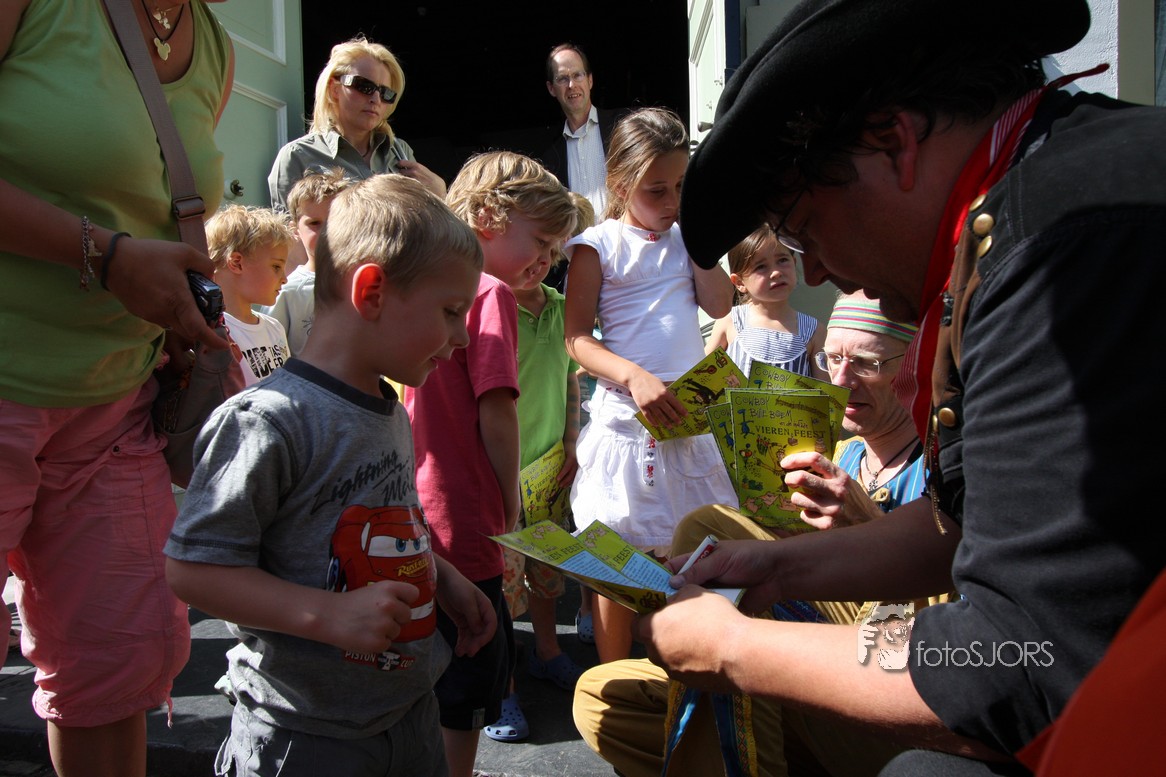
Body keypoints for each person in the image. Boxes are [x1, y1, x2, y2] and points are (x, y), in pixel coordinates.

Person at [638, 0, 1166, 774]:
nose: (818, 271)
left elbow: (1017, 661)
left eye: (804, 229)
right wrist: (775, 569)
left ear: (894, 143)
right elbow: (959, 525)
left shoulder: (1062, 247)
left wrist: (735, 647)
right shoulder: (1040, 196)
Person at [164, 174, 497, 776]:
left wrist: (443, 577)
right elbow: (194, 570)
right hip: (305, 733)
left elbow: (391, 516)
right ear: (371, 291)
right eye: (451, 312)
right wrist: (327, 614)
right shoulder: (268, 421)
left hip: (407, 712)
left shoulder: (389, 409)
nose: (462, 336)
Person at [0, 2, 232, 775]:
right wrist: (103, 255)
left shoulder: (215, 46)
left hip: (116, 408)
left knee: (116, 671)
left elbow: (159, 205)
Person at [574, 291, 935, 777]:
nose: (841, 380)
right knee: (600, 693)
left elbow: (915, 640)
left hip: (882, 688)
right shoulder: (838, 453)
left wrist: (866, 523)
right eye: (831, 359)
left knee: (712, 535)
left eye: (866, 363)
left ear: (915, 367)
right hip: (803, 683)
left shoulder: (942, 476)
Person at [405, 150, 577, 776]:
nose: (547, 259)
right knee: (470, 677)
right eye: (540, 241)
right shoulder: (491, 293)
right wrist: (508, 506)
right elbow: (497, 410)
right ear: (488, 217)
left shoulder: (426, 283)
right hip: (471, 512)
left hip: (421, 506)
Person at [563, 106, 736, 665]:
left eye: (681, 187)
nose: (671, 202)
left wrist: (701, 239)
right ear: (620, 185)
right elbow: (576, 338)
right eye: (656, 190)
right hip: (627, 424)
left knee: (689, 554)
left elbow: (719, 304)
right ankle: (614, 684)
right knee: (619, 560)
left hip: (685, 424)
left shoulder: (688, 239)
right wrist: (633, 376)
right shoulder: (598, 244)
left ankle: (684, 676)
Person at [486, 190, 591, 744]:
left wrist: (572, 440)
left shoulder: (557, 306)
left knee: (548, 576)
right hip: (498, 475)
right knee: (501, 589)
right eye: (539, 246)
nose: (544, 260)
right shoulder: (486, 307)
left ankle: (547, 650)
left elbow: (570, 378)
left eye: (554, 251)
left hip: (550, 471)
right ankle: (500, 684)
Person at [268, 35, 445, 215]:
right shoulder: (297, 156)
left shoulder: (400, 153)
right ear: (334, 89)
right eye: (364, 86)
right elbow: (288, 230)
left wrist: (440, 194)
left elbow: (424, 225)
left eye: (386, 93)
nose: (375, 99)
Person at [539, 42, 623, 292]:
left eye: (577, 75)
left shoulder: (623, 127)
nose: (571, 85)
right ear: (551, 88)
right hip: (578, 269)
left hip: (625, 260)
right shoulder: (547, 157)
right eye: (562, 79)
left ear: (590, 80)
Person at [704, 223, 827, 379]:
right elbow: (702, 376)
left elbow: (825, 391)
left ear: (794, 262)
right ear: (740, 282)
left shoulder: (813, 331)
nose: (776, 273)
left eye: (782, 260)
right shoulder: (731, 321)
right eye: (761, 267)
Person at [257, 167, 354, 357]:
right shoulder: (286, 291)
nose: (326, 231)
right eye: (314, 223)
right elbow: (269, 352)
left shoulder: (366, 281)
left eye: (335, 220)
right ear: (295, 230)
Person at [206, 204, 293, 385]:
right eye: (276, 266)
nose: (284, 279)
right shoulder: (212, 334)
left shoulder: (275, 328)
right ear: (237, 263)